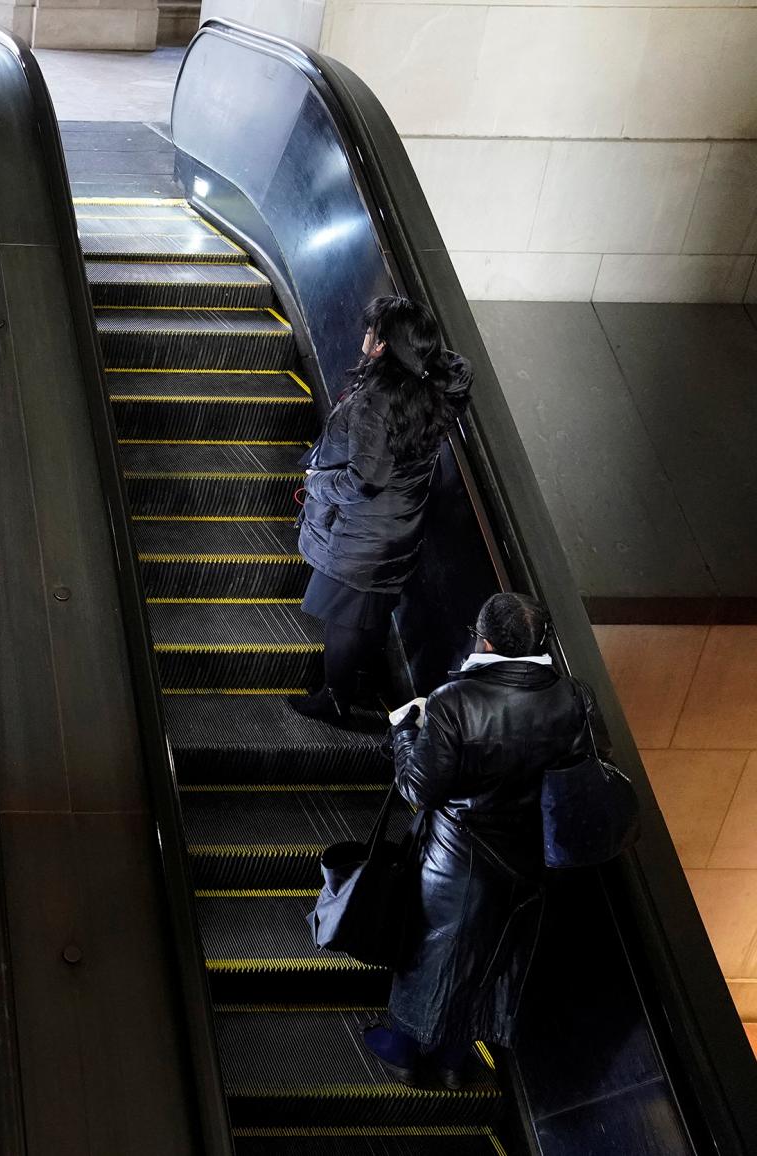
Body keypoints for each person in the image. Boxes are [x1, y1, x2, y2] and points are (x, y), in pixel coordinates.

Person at [367, 592, 601, 1089]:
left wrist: (404, 730)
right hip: (530, 856)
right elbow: (574, 774)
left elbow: (417, 790)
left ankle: (404, 1049)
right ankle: (454, 1059)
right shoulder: (574, 697)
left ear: (485, 639)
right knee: (491, 955)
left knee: (433, 950)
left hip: (459, 854)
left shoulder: (457, 702)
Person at [289, 295, 471, 724]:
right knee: (367, 612)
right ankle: (357, 684)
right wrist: (417, 349)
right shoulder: (433, 388)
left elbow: (363, 480)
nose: (364, 336)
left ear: (384, 345)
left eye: (372, 331)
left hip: (362, 531)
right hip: (399, 525)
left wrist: (317, 482)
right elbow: (459, 367)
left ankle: (335, 698)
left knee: (345, 618)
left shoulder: (377, 400)